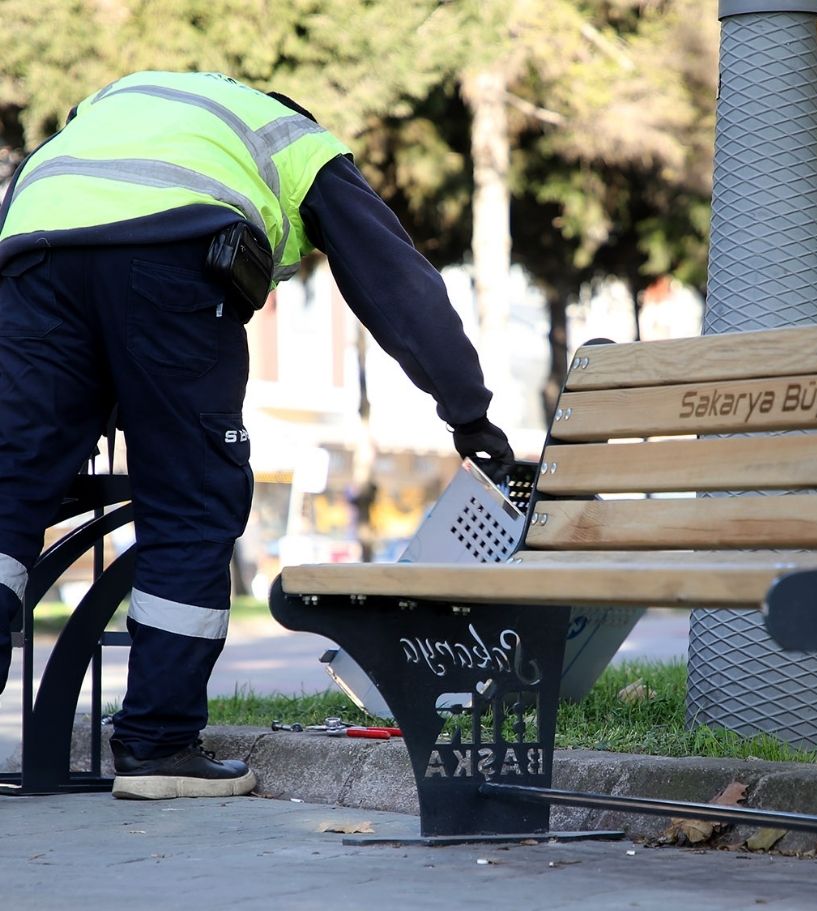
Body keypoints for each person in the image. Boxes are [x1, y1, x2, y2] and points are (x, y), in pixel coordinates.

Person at [0, 71, 514, 800]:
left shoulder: (112, 107)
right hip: (172, 253)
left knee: (9, 489)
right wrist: (469, 410)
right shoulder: (297, 142)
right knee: (190, 498)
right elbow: (397, 285)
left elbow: (51, 235)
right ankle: (156, 747)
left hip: (33, 248)